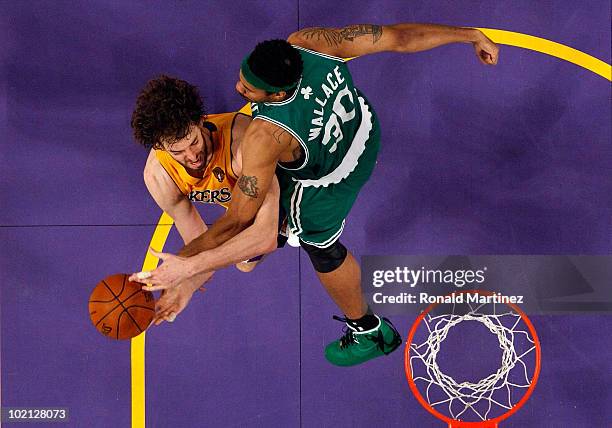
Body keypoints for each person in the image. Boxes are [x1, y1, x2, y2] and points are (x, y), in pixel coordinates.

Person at [131, 23, 499, 366]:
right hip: (363, 129)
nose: (239, 90)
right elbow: (399, 37)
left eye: (248, 89)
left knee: (315, 244)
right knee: (245, 251)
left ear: (276, 94)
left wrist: (183, 266)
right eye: (242, 77)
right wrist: (468, 35)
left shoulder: (264, 137)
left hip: (329, 177)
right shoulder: (308, 43)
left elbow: (240, 219)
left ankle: (369, 332)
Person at [130, 75, 282, 324]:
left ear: (201, 121)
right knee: (243, 263)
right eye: (177, 151)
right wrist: (184, 287)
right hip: (242, 208)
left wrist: (188, 270)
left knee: (283, 238)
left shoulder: (242, 143)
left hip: (288, 186)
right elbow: (200, 242)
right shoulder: (159, 176)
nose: (192, 156)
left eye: (194, 141)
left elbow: (266, 237)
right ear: (159, 146)